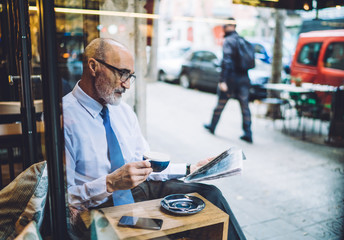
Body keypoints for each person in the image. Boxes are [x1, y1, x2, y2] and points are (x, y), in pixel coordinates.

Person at [63, 38, 246, 240]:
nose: (126, 85)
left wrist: (189, 169)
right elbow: (64, 198)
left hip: (138, 191)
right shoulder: (63, 118)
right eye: (122, 73)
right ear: (93, 66)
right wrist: (109, 183)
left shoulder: (122, 111)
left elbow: (146, 165)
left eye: (130, 76)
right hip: (98, 205)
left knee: (210, 195)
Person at [204, 18, 253, 143]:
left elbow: (226, 61)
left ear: (228, 26)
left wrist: (222, 80)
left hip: (231, 79)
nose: (223, 27)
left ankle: (212, 126)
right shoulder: (243, 40)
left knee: (221, 103)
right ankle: (248, 133)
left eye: (224, 25)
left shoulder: (228, 41)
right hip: (244, 78)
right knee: (245, 106)